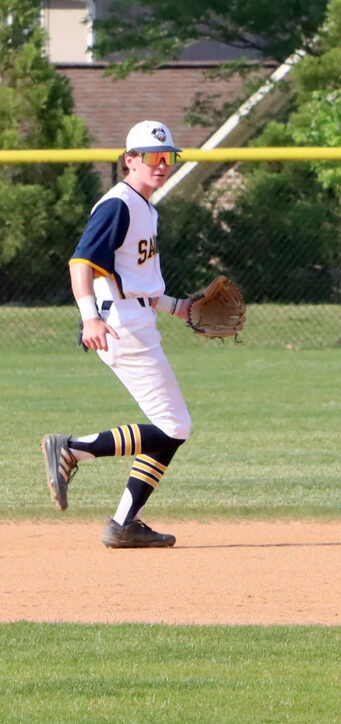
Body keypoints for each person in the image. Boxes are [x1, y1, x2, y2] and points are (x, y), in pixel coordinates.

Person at [41, 120, 195, 548]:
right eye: (151, 157)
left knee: (172, 427)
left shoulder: (146, 207)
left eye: (168, 157)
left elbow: (134, 280)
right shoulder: (119, 204)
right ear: (130, 160)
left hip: (135, 317)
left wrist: (177, 307)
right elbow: (80, 264)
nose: (161, 165)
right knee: (174, 425)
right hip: (120, 325)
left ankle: (125, 523)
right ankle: (73, 449)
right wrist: (89, 317)